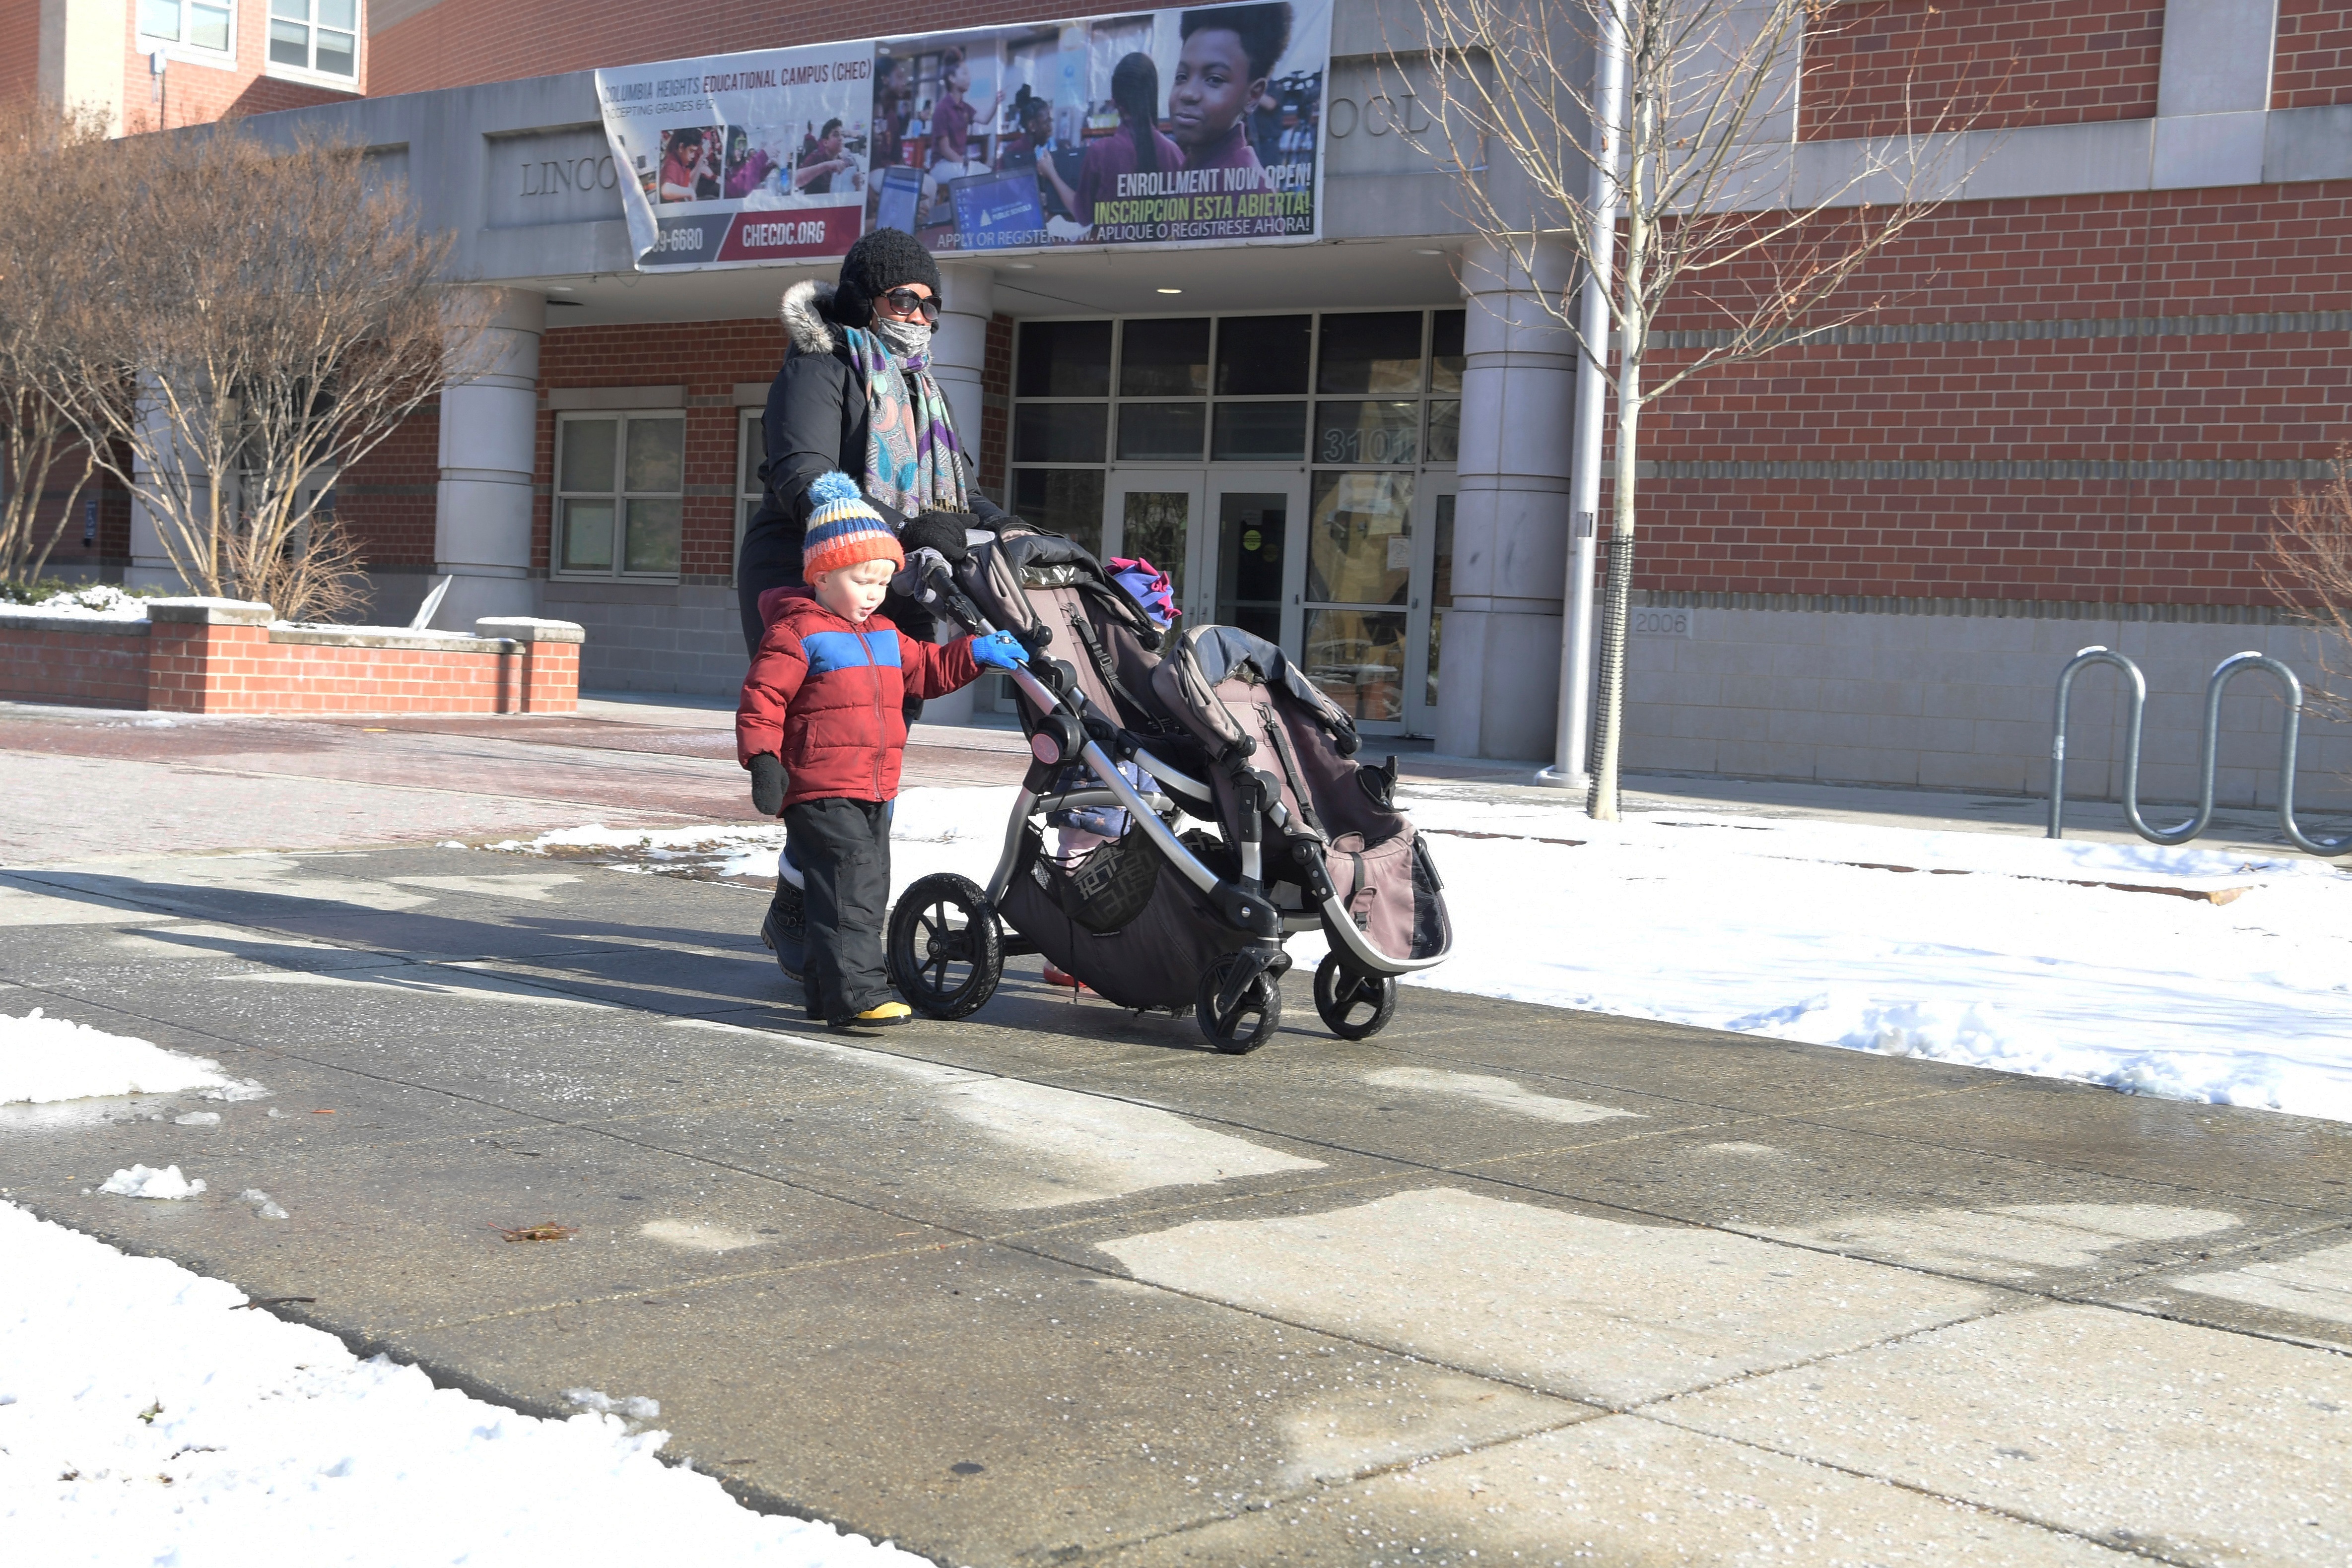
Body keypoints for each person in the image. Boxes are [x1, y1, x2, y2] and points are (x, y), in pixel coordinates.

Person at [738, 229, 1020, 950]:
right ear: (868, 299)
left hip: (894, 588)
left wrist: (1009, 530)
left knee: (867, 762)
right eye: (906, 299)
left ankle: (815, 913)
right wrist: (906, 528)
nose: (921, 316)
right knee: (831, 759)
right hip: (812, 581)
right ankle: (827, 938)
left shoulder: (925, 390)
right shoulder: (820, 365)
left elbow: (957, 496)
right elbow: (804, 474)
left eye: (932, 305)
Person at [738, 473, 1031, 1031]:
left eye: (881, 581)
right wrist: (763, 761)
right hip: (820, 787)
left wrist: (977, 651)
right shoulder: (796, 633)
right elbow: (762, 699)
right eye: (861, 579)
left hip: (872, 786)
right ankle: (861, 996)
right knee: (855, 886)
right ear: (822, 575)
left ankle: (828, 992)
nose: (874, 592)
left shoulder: (883, 635)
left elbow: (928, 669)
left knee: (851, 888)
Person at [1169, 4, 1292, 181]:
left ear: (1253, 96)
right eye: (1182, 76)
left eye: (1214, 79)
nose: (1188, 93)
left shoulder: (1246, 194)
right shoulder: (1193, 166)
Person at [1073, 53, 1183, 233]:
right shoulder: (1175, 154)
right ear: (1152, 96)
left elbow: (1083, 217)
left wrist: (1051, 173)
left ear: (1115, 102)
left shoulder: (1099, 153)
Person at [795, 118, 856, 194]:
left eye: (842, 135)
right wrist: (827, 165)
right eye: (836, 135)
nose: (841, 138)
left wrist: (857, 185)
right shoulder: (816, 157)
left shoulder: (843, 161)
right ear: (825, 143)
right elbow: (796, 181)